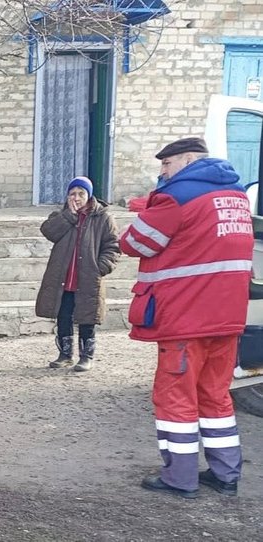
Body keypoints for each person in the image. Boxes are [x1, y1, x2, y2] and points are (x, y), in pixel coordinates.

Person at [120, 137, 253, 499]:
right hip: (227, 317)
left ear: (188, 160)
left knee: (175, 397)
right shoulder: (237, 196)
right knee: (216, 396)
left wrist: (149, 206)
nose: (162, 172)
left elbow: (135, 243)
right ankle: (226, 475)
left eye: (167, 164)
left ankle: (179, 477)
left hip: (186, 317)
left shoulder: (177, 196)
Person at [35, 176, 120, 371]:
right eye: (72, 194)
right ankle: (65, 355)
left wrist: (101, 267)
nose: (77, 198)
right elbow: (49, 232)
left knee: (87, 317)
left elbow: (113, 246)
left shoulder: (103, 218)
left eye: (81, 193)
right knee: (63, 316)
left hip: (88, 277)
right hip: (64, 278)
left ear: (89, 196)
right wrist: (69, 216)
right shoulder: (61, 216)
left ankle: (86, 356)